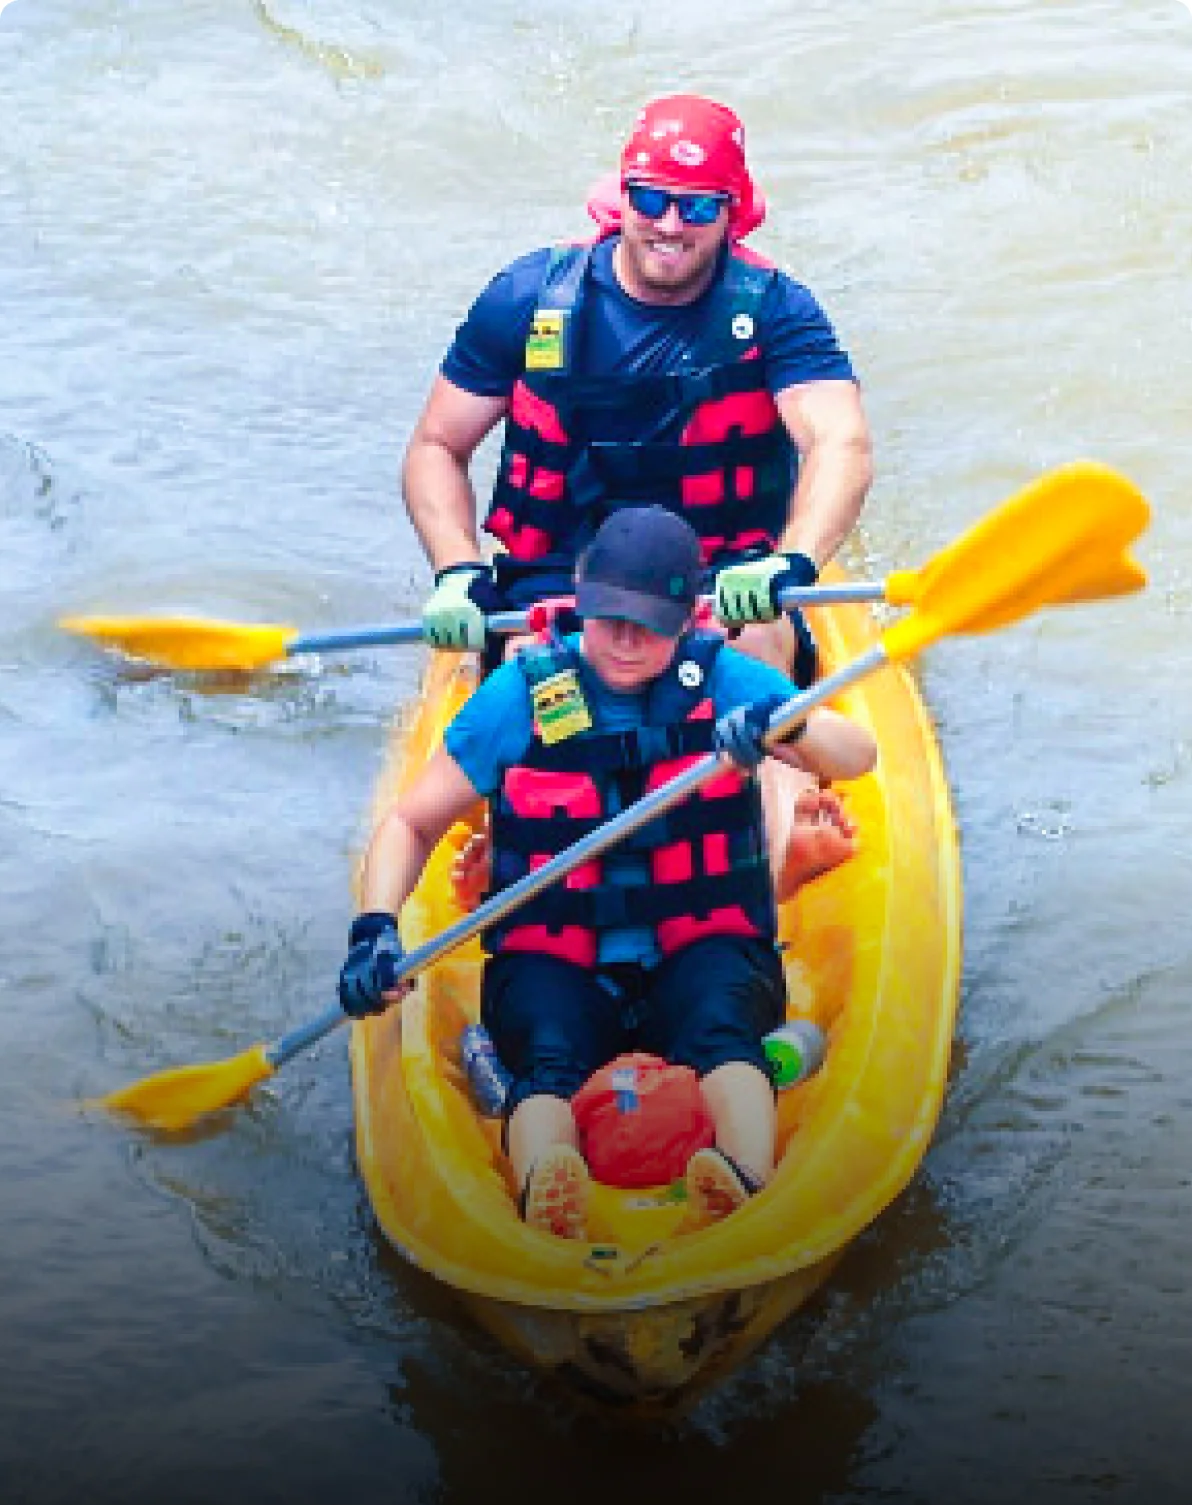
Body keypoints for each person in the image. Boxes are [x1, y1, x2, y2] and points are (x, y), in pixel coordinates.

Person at [338, 506, 876, 1241]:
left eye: (649, 624)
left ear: (689, 617)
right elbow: (413, 822)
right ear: (581, 602)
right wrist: (374, 930)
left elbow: (857, 757)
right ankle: (546, 1186)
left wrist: (791, 727)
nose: (625, 640)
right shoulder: (522, 693)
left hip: (698, 940)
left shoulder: (726, 679)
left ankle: (742, 1178)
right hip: (559, 951)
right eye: (608, 619)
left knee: (725, 1035)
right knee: (547, 1056)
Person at [404, 91, 873, 687]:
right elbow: (437, 445)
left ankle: (787, 778)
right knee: (536, 673)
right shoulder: (527, 297)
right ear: (622, 198)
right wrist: (457, 570)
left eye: (698, 208)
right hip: (560, 579)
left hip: (722, 580)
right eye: (652, 200)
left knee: (755, 647)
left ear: (733, 212)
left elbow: (841, 442)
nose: (671, 225)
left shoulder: (778, 310)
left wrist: (794, 561)